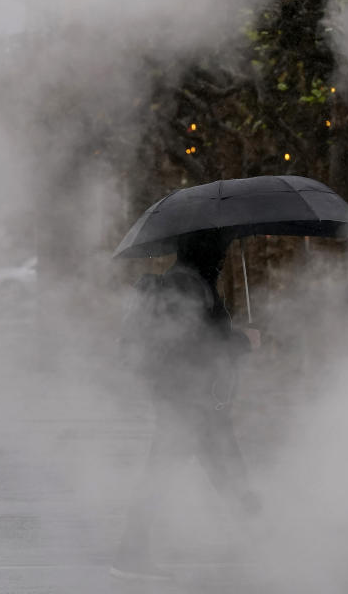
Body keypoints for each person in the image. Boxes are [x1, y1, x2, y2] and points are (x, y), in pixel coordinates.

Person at [112, 230, 262, 581]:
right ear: (204, 249)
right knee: (188, 475)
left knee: (227, 473)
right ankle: (130, 555)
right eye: (219, 247)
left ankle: (259, 543)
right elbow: (194, 342)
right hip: (187, 401)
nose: (224, 255)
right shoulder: (187, 285)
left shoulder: (193, 280)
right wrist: (243, 341)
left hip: (193, 399)